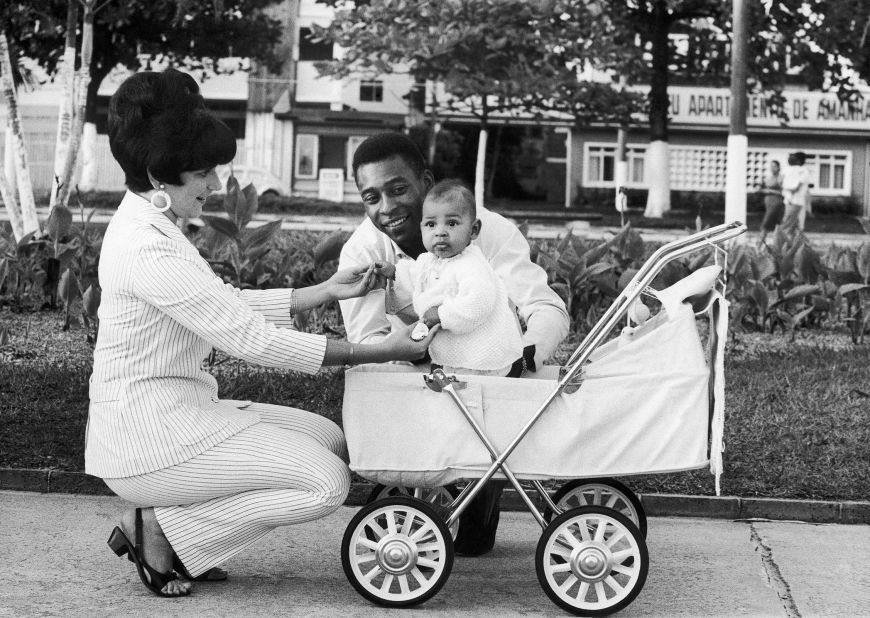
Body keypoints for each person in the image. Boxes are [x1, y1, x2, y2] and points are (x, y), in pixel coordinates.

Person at [87, 69, 437, 598]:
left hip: (182, 412)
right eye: (203, 173)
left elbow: (215, 306)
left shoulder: (150, 225)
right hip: (150, 442)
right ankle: (163, 530)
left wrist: (318, 292)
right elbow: (249, 341)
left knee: (331, 439)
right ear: (162, 175)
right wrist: (374, 350)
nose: (214, 185)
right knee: (326, 483)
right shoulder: (147, 247)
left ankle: (176, 527)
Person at [338, 132, 569, 556]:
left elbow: (544, 306)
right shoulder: (362, 251)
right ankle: (411, 490)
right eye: (371, 197)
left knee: (474, 544)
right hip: (413, 377)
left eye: (398, 189)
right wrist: (416, 353)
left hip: (489, 379)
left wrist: (527, 357)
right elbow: (368, 341)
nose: (386, 208)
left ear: (425, 180)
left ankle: (479, 489)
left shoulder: (488, 230)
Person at [378, 179, 525, 376]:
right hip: (458, 350)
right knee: (450, 378)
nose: (440, 232)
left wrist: (442, 315)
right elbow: (414, 275)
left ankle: (510, 371)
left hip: (483, 354)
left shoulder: (472, 265)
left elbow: (479, 302)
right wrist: (394, 272)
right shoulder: (428, 260)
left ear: (473, 230)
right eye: (431, 224)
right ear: (421, 227)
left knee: (475, 389)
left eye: (452, 223)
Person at [782, 151, 812, 233]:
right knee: (792, 223)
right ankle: (791, 243)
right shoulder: (792, 170)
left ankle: (781, 241)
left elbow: (796, 188)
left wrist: (787, 189)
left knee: (788, 222)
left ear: (799, 160)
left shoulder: (803, 171)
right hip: (791, 200)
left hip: (796, 200)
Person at [758, 159, 784, 245]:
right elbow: (761, 189)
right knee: (776, 223)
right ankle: (777, 244)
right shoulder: (768, 178)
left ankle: (760, 243)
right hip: (768, 202)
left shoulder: (781, 178)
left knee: (766, 223)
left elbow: (782, 192)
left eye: (774, 166)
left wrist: (770, 191)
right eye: (771, 166)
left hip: (777, 202)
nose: (772, 168)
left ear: (778, 167)